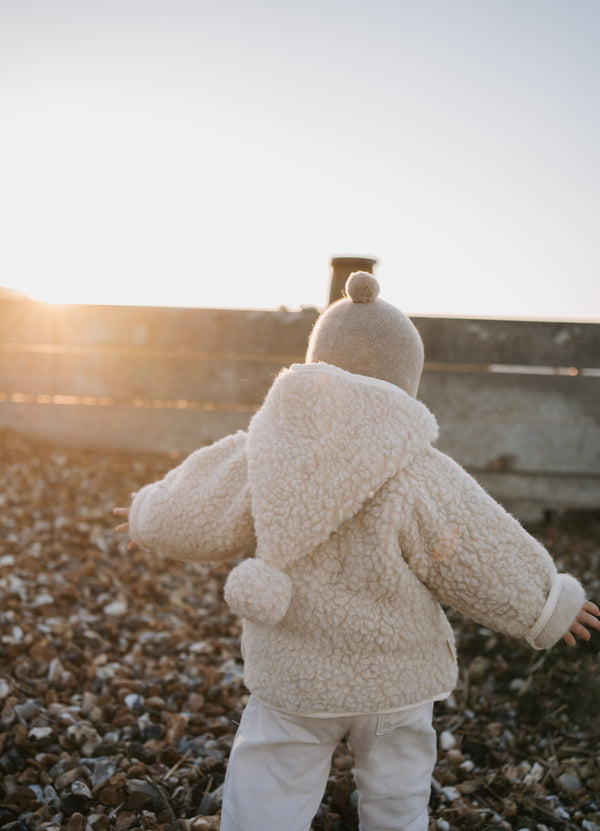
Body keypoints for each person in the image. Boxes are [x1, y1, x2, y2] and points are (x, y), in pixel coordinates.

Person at [114, 272, 600, 831]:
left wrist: (148, 514)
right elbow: (478, 551)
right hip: (396, 680)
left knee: (269, 780)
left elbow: (199, 504)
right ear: (406, 380)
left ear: (314, 365)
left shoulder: (262, 454)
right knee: (398, 794)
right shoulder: (421, 474)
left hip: (294, 675)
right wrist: (545, 602)